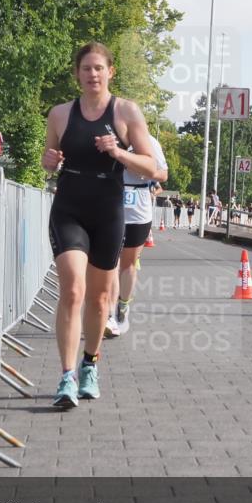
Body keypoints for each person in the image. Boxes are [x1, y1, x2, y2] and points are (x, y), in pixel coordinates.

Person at [42, 42, 157, 408]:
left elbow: (152, 167)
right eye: (86, 68)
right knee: (73, 290)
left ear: (110, 72)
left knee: (99, 299)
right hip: (69, 209)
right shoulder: (60, 114)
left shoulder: (126, 111)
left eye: (98, 68)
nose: (92, 74)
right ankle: (67, 376)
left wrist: (118, 151)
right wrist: (49, 161)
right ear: (77, 73)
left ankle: (89, 364)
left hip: (108, 211)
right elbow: (49, 161)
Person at [104, 134, 168, 338]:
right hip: (110, 204)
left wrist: (141, 168)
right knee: (111, 262)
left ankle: (123, 305)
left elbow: (163, 175)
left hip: (138, 210)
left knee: (128, 265)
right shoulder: (108, 136)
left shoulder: (149, 142)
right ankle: (108, 315)